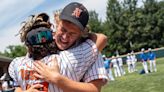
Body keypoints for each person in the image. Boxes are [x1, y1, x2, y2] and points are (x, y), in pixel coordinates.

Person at [9, 2, 108, 92]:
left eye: (72, 33)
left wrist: (58, 80)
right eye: (63, 29)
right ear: (57, 23)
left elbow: (94, 89)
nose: (65, 37)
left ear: (81, 34)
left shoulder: (91, 50)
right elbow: (19, 84)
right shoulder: (42, 43)